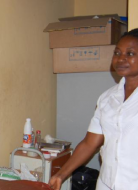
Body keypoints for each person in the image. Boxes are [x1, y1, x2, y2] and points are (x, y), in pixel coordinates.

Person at [48, 28, 138, 190]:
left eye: (130, 54)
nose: (121, 59)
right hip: (107, 184)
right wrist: (61, 175)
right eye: (117, 53)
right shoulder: (107, 98)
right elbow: (90, 143)